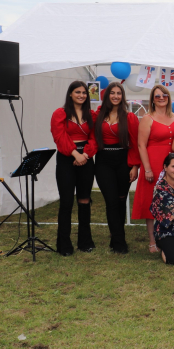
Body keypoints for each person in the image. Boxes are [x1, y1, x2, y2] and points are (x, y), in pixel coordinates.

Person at [50, 81, 98, 256]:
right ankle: (64, 245)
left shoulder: (91, 114)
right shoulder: (60, 113)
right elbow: (59, 136)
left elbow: (95, 137)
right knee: (66, 202)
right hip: (66, 159)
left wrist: (85, 154)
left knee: (84, 199)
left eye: (84, 92)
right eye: (77, 92)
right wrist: (74, 154)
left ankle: (85, 242)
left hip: (86, 158)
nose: (81, 95)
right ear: (70, 94)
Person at [93, 81, 139, 254]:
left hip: (123, 159)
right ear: (107, 95)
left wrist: (135, 166)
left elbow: (134, 143)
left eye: (119, 93)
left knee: (121, 199)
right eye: (112, 93)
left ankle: (117, 237)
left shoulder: (129, 117)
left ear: (122, 96)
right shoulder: (99, 115)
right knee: (111, 201)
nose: (116, 96)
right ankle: (119, 242)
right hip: (103, 160)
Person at [134, 84, 174, 254]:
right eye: (157, 96)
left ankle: (171, 236)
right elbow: (141, 145)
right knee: (151, 201)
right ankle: (152, 241)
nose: (161, 98)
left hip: (173, 163)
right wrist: (147, 168)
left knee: (173, 200)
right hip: (153, 163)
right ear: (152, 100)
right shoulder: (148, 118)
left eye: (164, 95)